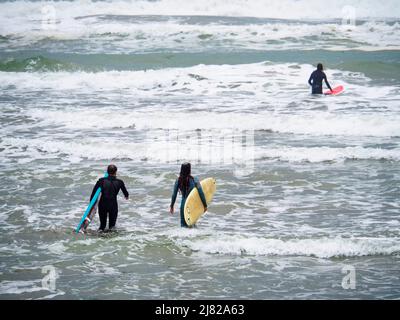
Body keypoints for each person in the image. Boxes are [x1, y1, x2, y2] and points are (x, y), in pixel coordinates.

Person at [90, 164, 129, 232]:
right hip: (113, 205)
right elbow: (126, 194)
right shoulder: (120, 182)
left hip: (103, 205)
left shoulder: (101, 181)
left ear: (107, 172)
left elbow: (94, 193)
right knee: (112, 227)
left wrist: (92, 204)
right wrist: (126, 196)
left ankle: (100, 238)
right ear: (115, 172)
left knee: (102, 226)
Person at [170, 162, 207, 228]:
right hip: (192, 205)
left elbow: (174, 195)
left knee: (183, 226)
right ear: (189, 170)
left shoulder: (178, 180)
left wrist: (171, 206)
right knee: (192, 225)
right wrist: (205, 205)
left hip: (183, 206)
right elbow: (201, 193)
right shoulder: (194, 180)